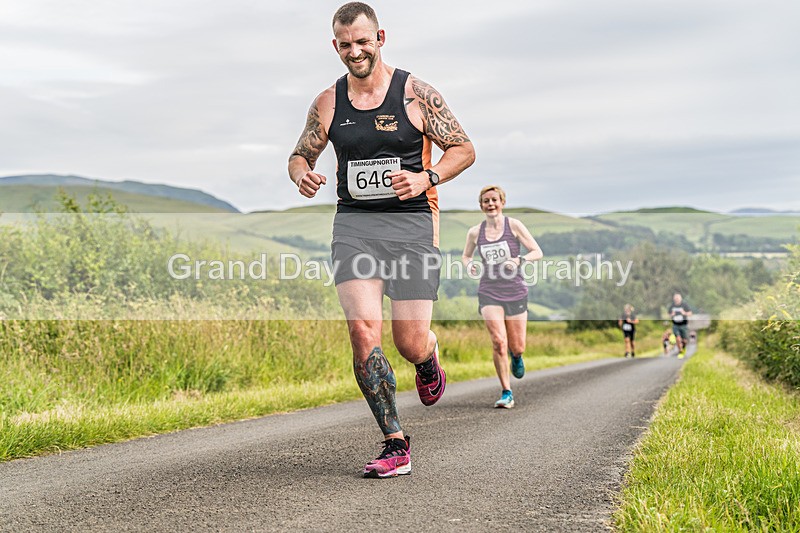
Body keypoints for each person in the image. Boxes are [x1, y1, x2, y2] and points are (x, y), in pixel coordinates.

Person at [288, 2, 474, 478]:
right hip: (354, 227)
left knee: (408, 342)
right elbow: (298, 154)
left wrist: (426, 177)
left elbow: (464, 148)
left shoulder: (415, 94)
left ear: (381, 38)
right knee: (362, 333)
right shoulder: (328, 102)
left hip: (411, 224)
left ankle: (428, 359)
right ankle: (395, 442)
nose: (355, 52)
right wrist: (302, 174)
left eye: (363, 42)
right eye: (345, 45)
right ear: (335, 46)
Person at [461, 185, 543, 409]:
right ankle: (506, 391)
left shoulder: (514, 226)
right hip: (489, 291)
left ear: (502, 202)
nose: (490, 204)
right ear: (481, 206)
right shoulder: (475, 232)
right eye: (486, 201)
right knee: (498, 341)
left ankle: (516, 356)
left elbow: (537, 251)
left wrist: (519, 261)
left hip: (515, 290)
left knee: (517, 346)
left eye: (494, 200)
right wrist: (471, 267)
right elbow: (466, 257)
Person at [668, 292, 693, 357]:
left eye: (677, 298)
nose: (676, 299)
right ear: (674, 299)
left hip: (683, 325)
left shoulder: (684, 305)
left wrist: (684, 313)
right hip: (675, 325)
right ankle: (680, 350)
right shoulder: (672, 306)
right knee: (678, 338)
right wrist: (671, 314)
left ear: (680, 298)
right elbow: (668, 314)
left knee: (685, 340)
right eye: (675, 298)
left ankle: (683, 347)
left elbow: (690, 313)